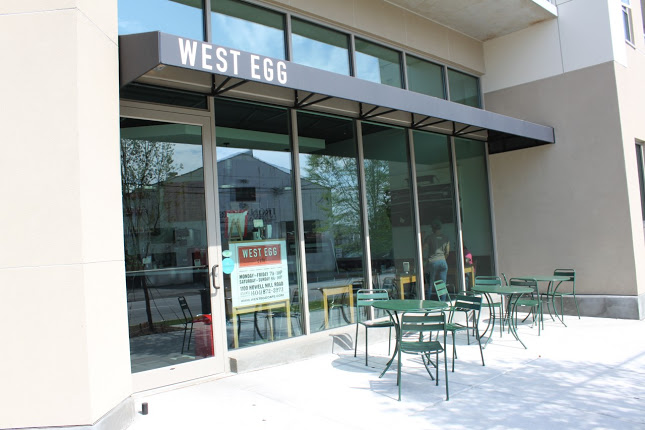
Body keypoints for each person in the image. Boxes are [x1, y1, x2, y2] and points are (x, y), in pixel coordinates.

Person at [423, 219, 450, 300]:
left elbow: (423, 248)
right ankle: (443, 302)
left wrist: (421, 238)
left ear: (433, 228)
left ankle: (428, 302)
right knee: (442, 285)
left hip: (433, 262)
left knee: (430, 284)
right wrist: (442, 259)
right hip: (443, 262)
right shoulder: (446, 238)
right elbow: (447, 252)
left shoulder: (430, 237)